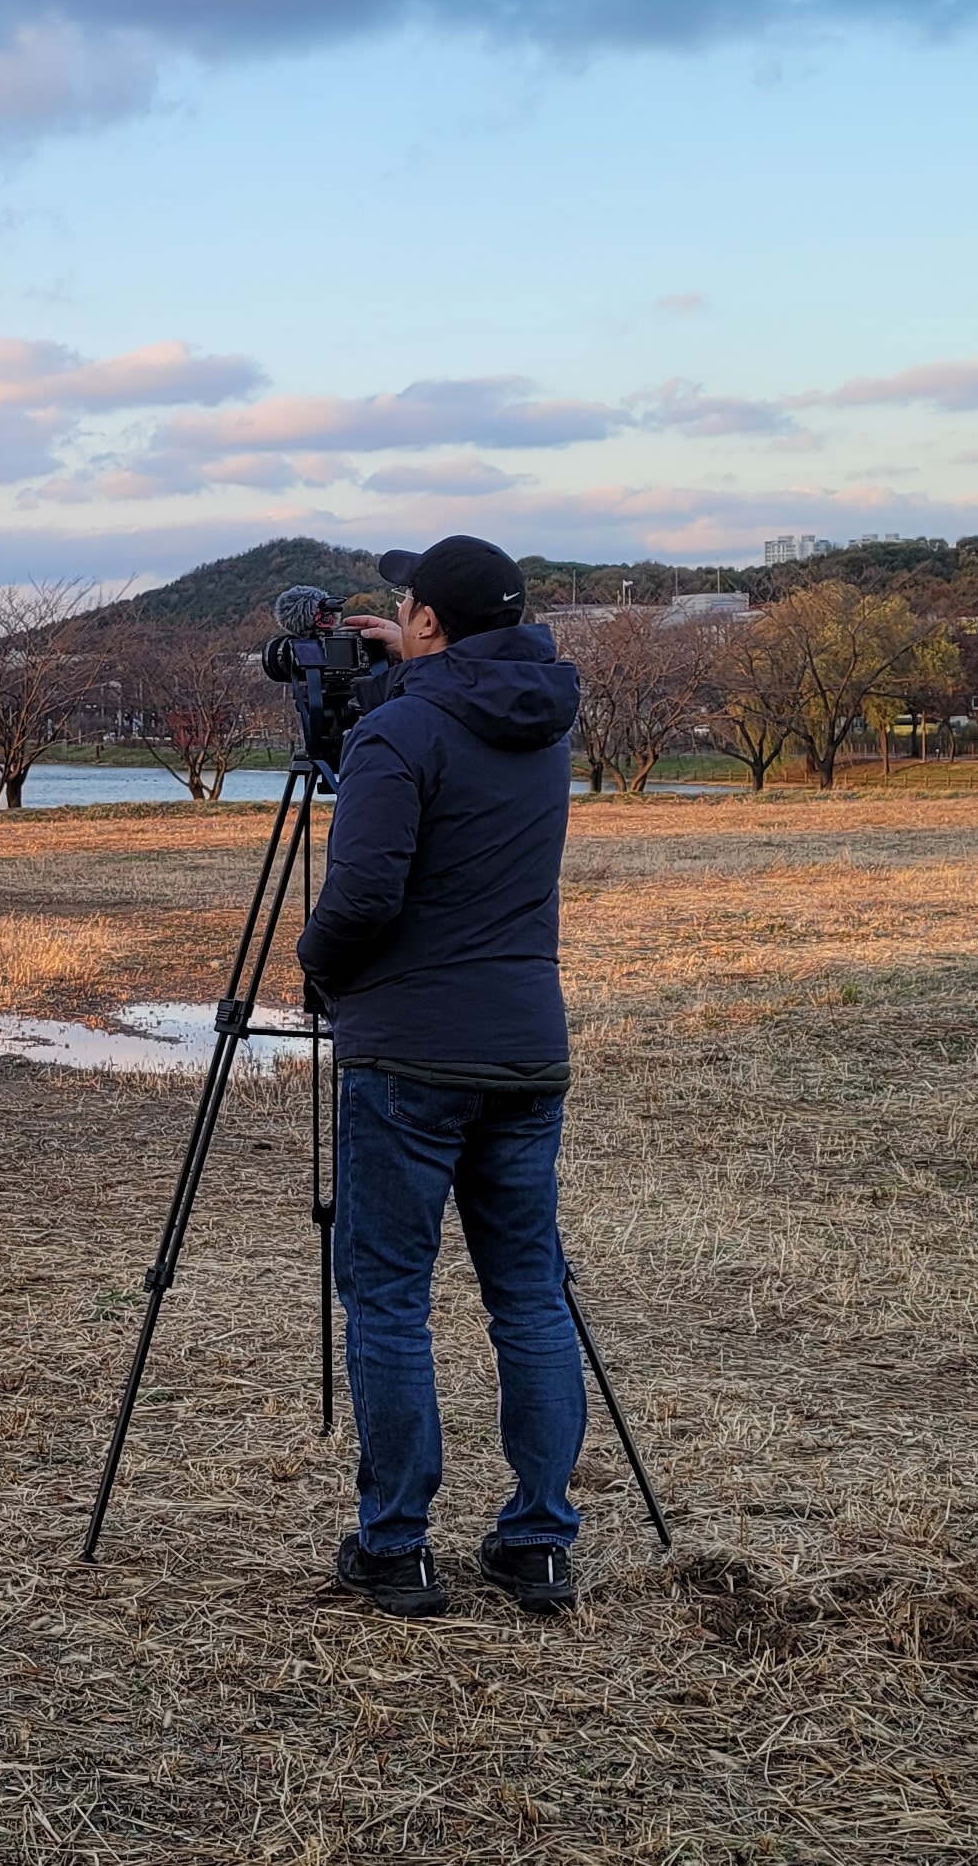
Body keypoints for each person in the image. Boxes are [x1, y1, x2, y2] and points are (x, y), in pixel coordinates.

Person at [295, 534, 584, 1619]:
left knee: (388, 1300)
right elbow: (465, 712)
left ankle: (396, 1545)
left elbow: (363, 896)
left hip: (410, 1053)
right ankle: (538, 1542)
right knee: (529, 1296)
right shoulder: (542, 722)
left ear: (427, 622)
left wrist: (316, 967)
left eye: (408, 605)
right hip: (526, 1048)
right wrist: (407, 663)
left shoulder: (399, 731)